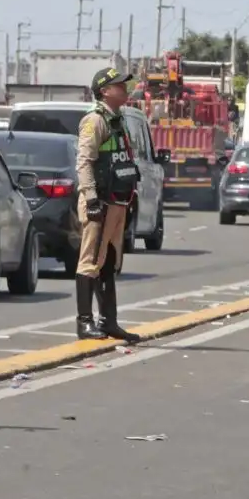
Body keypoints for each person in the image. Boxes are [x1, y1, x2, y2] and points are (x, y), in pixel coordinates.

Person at [74, 67, 143, 342]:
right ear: (104, 90)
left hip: (118, 200)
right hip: (100, 200)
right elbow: (84, 162)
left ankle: (109, 321)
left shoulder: (119, 119)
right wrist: (90, 198)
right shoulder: (94, 121)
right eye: (119, 86)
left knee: (110, 261)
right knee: (90, 261)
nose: (125, 89)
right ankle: (84, 323)